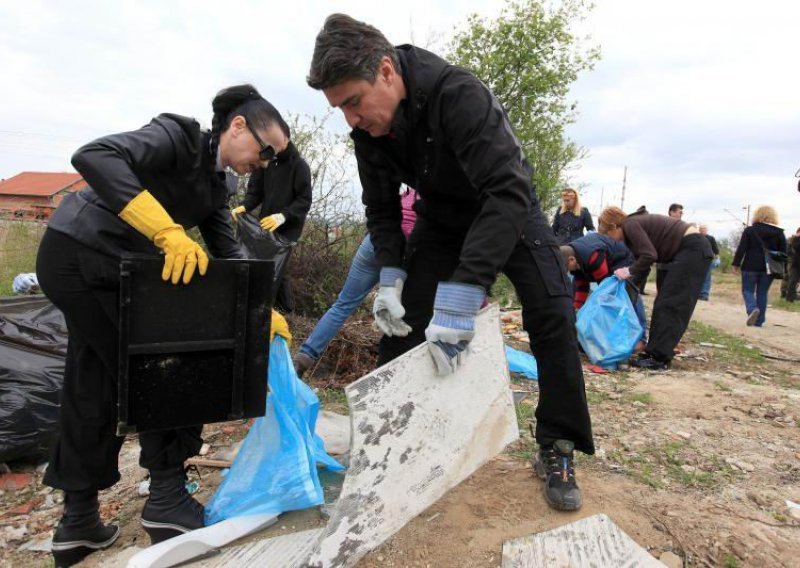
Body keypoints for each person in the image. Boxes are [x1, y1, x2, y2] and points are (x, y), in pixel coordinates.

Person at [307, 14, 593, 512]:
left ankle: (558, 444)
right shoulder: (367, 134)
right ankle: (387, 439)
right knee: (407, 322)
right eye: (340, 109)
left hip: (506, 206)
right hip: (440, 216)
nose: (351, 119)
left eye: (353, 101)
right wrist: (392, 276)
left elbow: (505, 190)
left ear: (387, 71)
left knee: (552, 312)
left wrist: (462, 298)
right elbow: (380, 208)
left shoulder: (459, 94)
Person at [36, 84, 291, 566]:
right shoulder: (177, 137)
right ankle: (168, 499)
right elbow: (94, 155)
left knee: (98, 379)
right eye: (265, 151)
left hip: (109, 265)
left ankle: (78, 521)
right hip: (83, 252)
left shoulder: (220, 186)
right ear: (238, 126)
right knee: (164, 365)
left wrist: (262, 309)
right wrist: (166, 231)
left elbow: (228, 251)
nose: (264, 163)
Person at [293, 187, 417, 376]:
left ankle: (303, 359)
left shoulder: (407, 181)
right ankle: (393, 375)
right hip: (405, 249)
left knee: (343, 304)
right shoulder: (434, 186)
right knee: (402, 314)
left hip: (375, 242)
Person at [598, 206, 712, 370]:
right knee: (662, 303)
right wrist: (627, 289)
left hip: (692, 249)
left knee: (671, 304)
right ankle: (654, 352)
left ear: (614, 226)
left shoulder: (630, 225)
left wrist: (629, 271)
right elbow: (643, 266)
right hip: (683, 251)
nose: (612, 239)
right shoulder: (632, 229)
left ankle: (659, 358)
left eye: (608, 234)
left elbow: (649, 255)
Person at [231, 128, 312, 313]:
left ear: (286, 140)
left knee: (278, 268)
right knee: (269, 267)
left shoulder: (299, 166)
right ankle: (274, 308)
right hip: (266, 225)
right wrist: (245, 206)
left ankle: (284, 311)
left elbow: (304, 200)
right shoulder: (265, 163)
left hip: (288, 229)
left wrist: (284, 215)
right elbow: (256, 192)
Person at [560, 233, 647, 347]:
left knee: (628, 294)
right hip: (606, 262)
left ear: (571, 260)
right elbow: (582, 286)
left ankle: (639, 339)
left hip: (623, 259)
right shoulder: (574, 258)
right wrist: (577, 310)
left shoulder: (592, 256)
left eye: (566, 268)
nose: (567, 271)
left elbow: (606, 289)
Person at [732, 206, 787, 326]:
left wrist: (736, 264)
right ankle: (759, 321)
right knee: (762, 293)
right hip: (769, 268)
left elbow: (742, 249)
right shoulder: (779, 233)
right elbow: (784, 253)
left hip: (750, 265)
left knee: (747, 290)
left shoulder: (750, 230)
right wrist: (784, 269)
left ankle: (752, 309)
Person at [698, 223, 720, 300]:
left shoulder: (711, 238)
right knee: (698, 277)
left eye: (704, 229)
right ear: (699, 230)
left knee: (707, 277)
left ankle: (704, 294)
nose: (703, 230)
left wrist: (717, 259)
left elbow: (716, 250)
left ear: (707, 230)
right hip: (697, 260)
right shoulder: (696, 237)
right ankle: (698, 293)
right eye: (701, 229)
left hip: (708, 260)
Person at [781, 227, 800, 302]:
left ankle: (793, 294)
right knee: (790, 279)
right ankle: (787, 295)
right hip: (792, 262)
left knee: (793, 280)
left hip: (794, 261)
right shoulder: (793, 239)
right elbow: (792, 248)